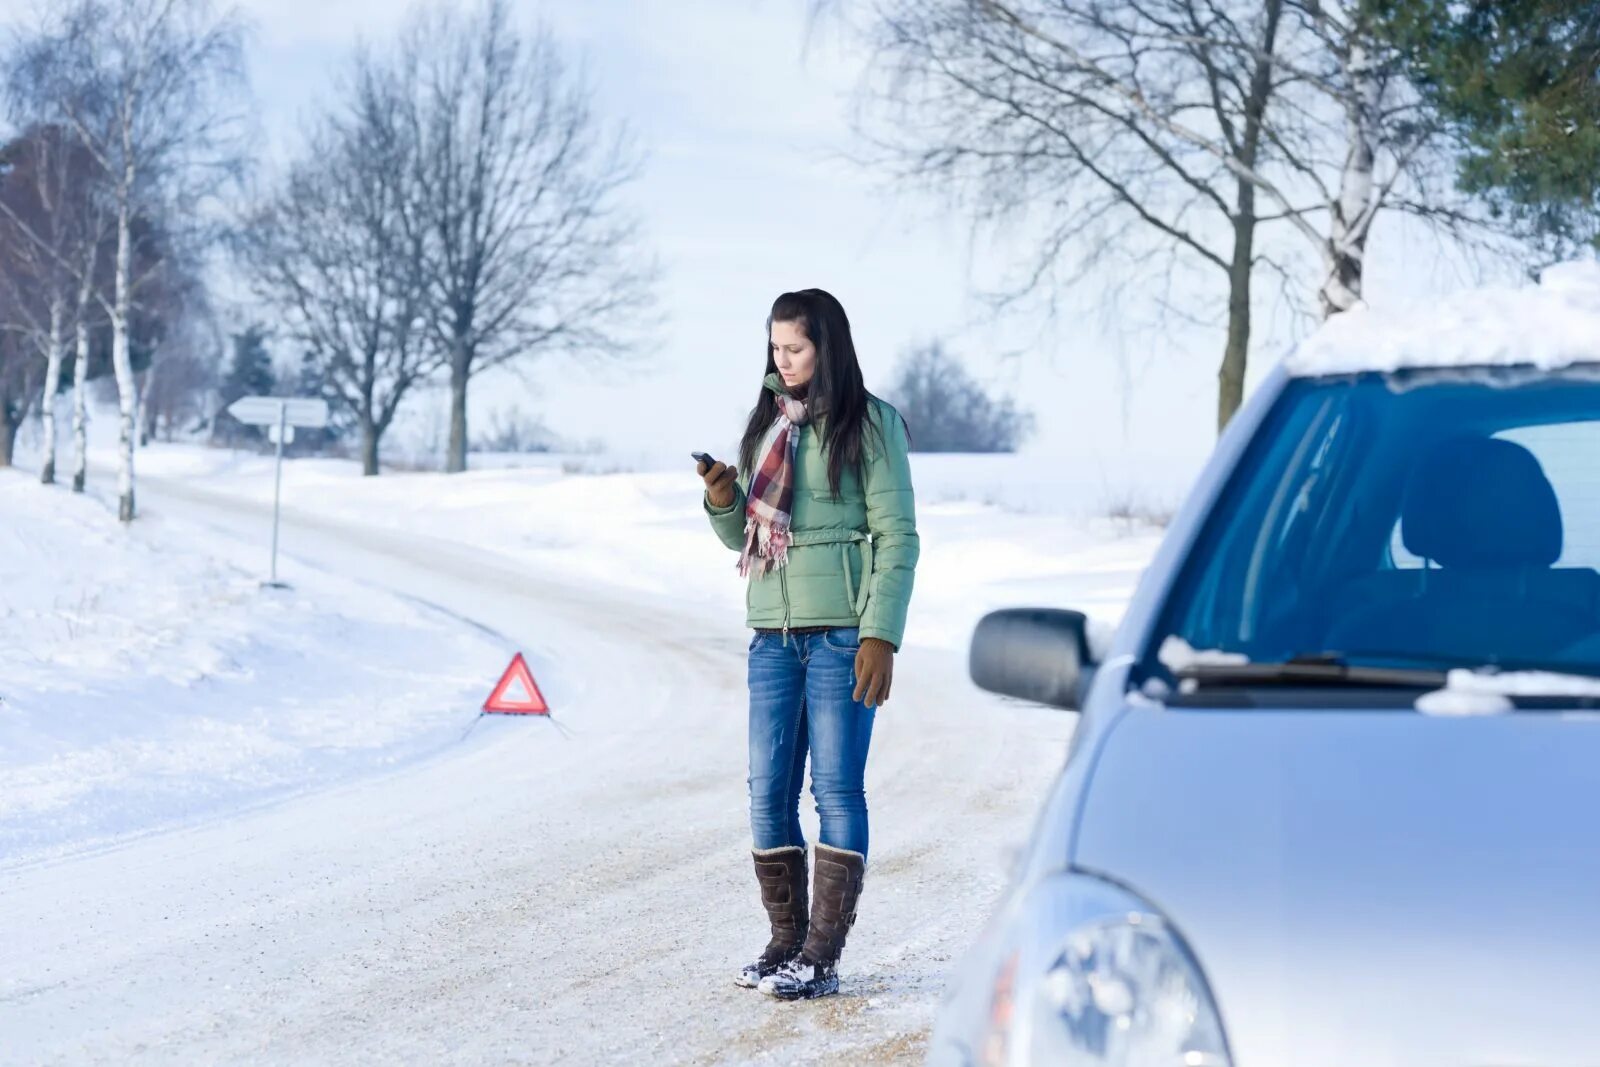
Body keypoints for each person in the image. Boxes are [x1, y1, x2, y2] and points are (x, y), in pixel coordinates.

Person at [697, 288, 919, 1001]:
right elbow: (745, 539)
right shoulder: (769, 422)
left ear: (827, 345)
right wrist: (724, 498)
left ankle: (822, 951)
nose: (781, 360)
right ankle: (784, 940)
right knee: (767, 794)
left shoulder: (873, 424)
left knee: (835, 789)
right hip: (772, 635)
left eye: (794, 347)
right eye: (774, 348)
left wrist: (880, 633)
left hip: (840, 633)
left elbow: (898, 536)